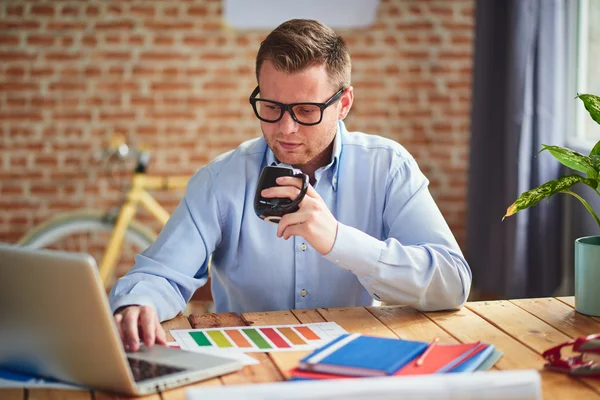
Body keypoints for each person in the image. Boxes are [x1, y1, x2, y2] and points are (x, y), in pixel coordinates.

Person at [110, 19, 472, 351]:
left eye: (306, 111)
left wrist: (338, 241)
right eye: (271, 107)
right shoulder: (219, 181)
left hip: (352, 363)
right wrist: (139, 302)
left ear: (343, 103)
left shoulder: (388, 167)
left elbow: (452, 282)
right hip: (247, 367)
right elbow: (160, 274)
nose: (285, 129)